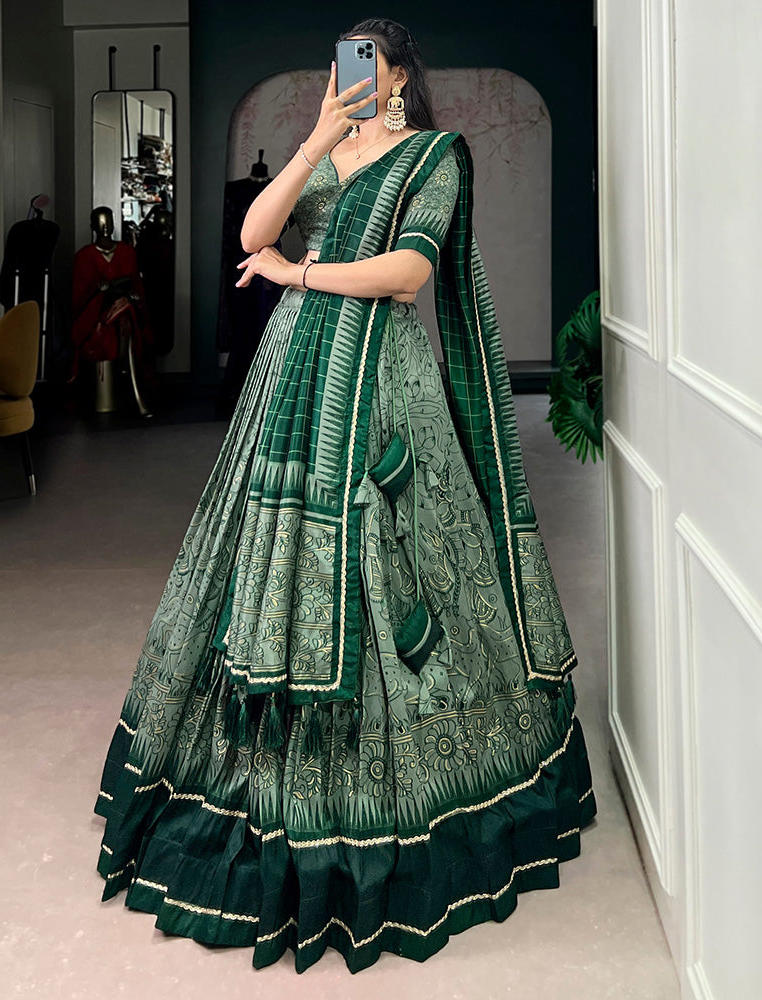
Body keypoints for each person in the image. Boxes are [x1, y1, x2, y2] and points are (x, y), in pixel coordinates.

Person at [94, 17, 597, 974]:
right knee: (260, 552)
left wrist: (301, 272)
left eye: (364, 63)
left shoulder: (432, 157)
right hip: (295, 374)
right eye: (338, 63)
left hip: (380, 381)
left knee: (401, 553)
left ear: (400, 76)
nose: (347, 76)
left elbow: (410, 272)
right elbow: (253, 233)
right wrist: (316, 140)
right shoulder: (329, 151)